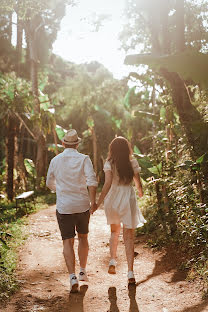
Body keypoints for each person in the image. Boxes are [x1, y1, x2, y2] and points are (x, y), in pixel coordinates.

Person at [46, 129, 97, 293]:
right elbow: (92, 182)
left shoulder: (55, 160)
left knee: (67, 241)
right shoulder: (84, 159)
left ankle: (72, 277)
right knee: (83, 237)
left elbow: (49, 183)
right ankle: (82, 271)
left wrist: (59, 189)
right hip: (82, 205)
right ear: (77, 143)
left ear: (63, 143)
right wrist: (93, 201)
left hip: (64, 207)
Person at [93, 136, 146, 284]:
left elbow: (107, 184)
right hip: (128, 198)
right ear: (127, 148)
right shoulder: (132, 162)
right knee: (128, 236)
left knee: (114, 232)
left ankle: (112, 261)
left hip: (113, 199)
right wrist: (140, 192)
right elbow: (137, 182)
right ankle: (130, 273)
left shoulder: (109, 163)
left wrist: (98, 202)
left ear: (112, 149)